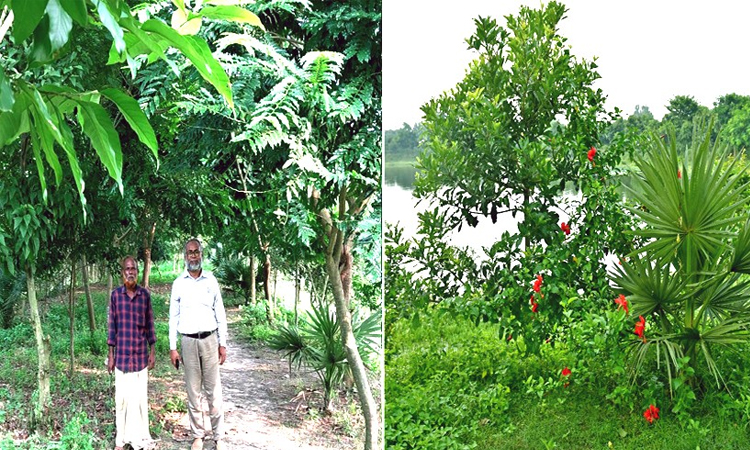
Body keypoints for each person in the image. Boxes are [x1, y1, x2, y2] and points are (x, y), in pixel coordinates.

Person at [169, 238, 228, 450]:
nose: (193, 255)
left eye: (196, 252)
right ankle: (197, 436)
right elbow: (173, 317)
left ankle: (218, 436)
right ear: (185, 256)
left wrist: (223, 343)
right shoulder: (178, 283)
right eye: (189, 252)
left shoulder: (211, 281)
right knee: (193, 391)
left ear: (201, 254)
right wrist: (173, 347)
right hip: (188, 342)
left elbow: (220, 313)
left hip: (210, 341)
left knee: (214, 391)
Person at [107, 256, 156, 450]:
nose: (130, 272)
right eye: (127, 269)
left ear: (138, 271)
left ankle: (139, 439)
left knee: (139, 399)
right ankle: (121, 440)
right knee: (122, 400)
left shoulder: (144, 295)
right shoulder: (115, 295)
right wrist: (110, 355)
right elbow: (112, 327)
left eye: (133, 268)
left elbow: (150, 325)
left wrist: (153, 351)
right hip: (122, 357)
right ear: (122, 273)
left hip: (139, 356)